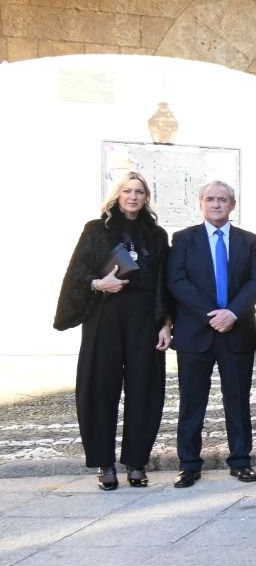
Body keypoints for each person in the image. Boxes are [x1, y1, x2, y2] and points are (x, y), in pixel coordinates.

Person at [54, 171, 172, 490]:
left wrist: (165, 323)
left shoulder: (157, 236)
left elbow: (164, 282)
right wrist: (98, 283)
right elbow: (76, 274)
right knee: (99, 385)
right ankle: (104, 463)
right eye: (127, 191)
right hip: (104, 314)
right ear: (117, 195)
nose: (133, 197)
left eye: (139, 192)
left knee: (144, 388)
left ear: (147, 198)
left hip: (144, 316)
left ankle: (136, 462)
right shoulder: (95, 230)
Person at [168, 180, 256, 487]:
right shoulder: (183, 239)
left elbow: (255, 283)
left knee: (237, 400)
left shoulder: (249, 240)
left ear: (232, 205)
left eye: (222, 199)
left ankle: (240, 461)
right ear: (201, 204)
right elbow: (177, 281)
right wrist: (211, 314)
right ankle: (189, 464)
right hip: (195, 333)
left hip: (236, 331)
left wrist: (232, 312)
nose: (216, 204)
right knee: (192, 401)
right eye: (210, 199)